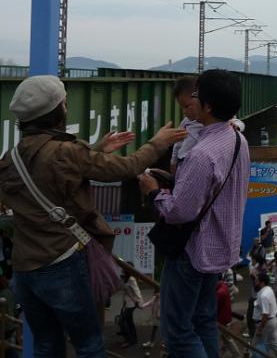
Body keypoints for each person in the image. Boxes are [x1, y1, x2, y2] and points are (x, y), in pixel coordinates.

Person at [0, 75, 185, 357]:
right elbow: (128, 167)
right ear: (57, 111)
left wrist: (95, 151)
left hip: (25, 270)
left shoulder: (10, 157)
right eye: (64, 101)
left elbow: (47, 175)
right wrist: (157, 143)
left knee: (46, 346)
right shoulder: (67, 152)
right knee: (89, 345)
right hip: (63, 264)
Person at [139, 69, 250, 356]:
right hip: (219, 249)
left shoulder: (202, 153)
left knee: (177, 331)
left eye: (197, 95)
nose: (192, 99)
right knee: (203, 321)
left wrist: (153, 190)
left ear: (209, 106)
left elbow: (178, 212)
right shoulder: (238, 140)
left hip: (193, 251)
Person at [170, 75, 203, 174]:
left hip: (197, 164)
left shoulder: (213, 120)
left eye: (187, 106)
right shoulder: (186, 122)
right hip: (183, 160)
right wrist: (173, 161)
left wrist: (236, 125)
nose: (184, 111)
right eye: (182, 107)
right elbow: (178, 143)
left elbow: (235, 121)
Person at [253, 271, 277, 358]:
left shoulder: (264, 295)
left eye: (256, 280)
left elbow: (265, 314)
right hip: (272, 321)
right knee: (275, 343)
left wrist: (260, 328)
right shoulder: (268, 289)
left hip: (266, 323)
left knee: (257, 345)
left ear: (262, 282)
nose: (255, 282)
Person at [216, 278, 241, 358]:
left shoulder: (220, 292)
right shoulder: (224, 286)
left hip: (220, 322)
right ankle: (237, 356)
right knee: (228, 340)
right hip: (226, 320)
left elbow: (214, 308)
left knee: (215, 342)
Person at [120, 269, 143, 348]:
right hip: (126, 302)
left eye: (123, 269)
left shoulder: (131, 279)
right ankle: (131, 339)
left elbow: (137, 291)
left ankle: (131, 340)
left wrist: (139, 302)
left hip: (132, 303)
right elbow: (124, 292)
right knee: (123, 321)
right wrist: (122, 304)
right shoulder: (123, 278)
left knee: (125, 321)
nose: (122, 271)